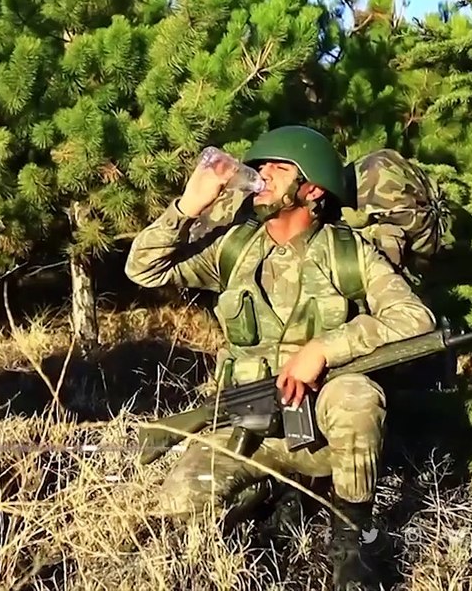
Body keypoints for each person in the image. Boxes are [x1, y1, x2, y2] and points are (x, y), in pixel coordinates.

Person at [124, 125, 437, 590]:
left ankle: (352, 541)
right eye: (261, 164)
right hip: (251, 428)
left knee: (355, 395)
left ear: (312, 189)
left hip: (325, 435)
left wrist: (324, 349)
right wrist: (189, 204)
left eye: (279, 167)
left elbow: (415, 318)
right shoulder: (234, 247)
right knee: (179, 504)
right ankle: (277, 488)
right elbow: (142, 269)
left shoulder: (350, 253)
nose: (262, 174)